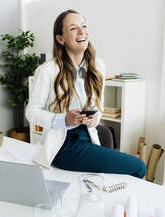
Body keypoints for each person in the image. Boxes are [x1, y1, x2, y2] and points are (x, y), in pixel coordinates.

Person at [25, 10, 146, 178]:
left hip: (89, 136)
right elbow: (32, 112)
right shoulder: (47, 71)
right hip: (65, 144)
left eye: (84, 26)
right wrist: (63, 119)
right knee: (139, 167)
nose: (82, 32)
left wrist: (95, 117)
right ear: (61, 39)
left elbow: (99, 107)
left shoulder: (98, 66)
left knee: (121, 173)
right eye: (74, 28)